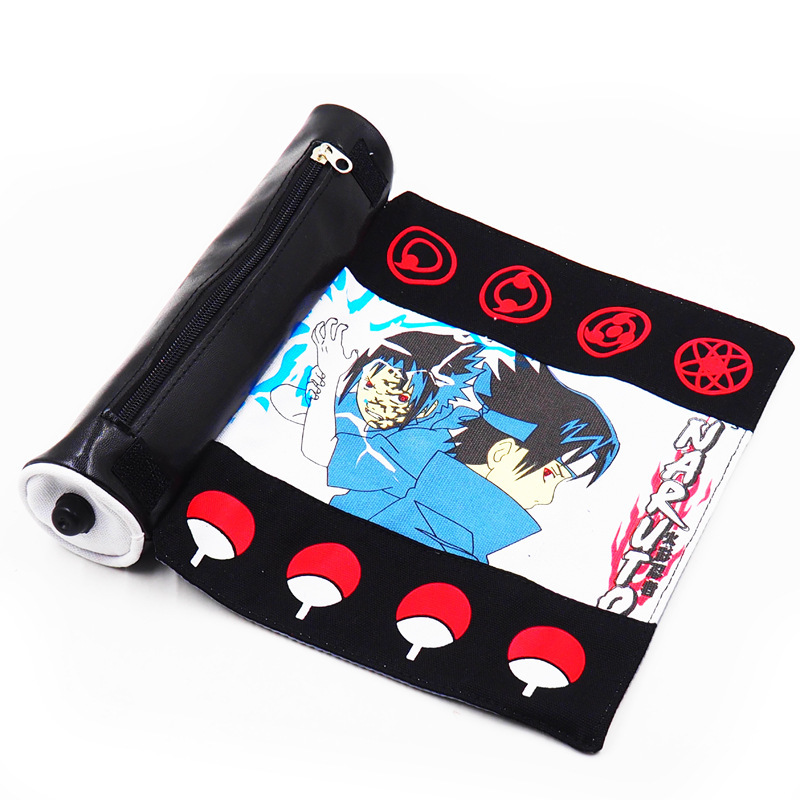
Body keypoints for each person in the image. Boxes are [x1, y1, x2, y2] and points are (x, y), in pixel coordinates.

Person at [369, 356, 620, 562]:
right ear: (501, 453)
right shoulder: (439, 540)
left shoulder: (453, 536)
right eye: (549, 474)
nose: (547, 498)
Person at [300, 319, 480, 518]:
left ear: (430, 407)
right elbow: (284, 399)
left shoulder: (423, 444)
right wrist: (324, 388)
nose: (375, 402)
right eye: (369, 385)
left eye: (401, 398)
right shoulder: (378, 414)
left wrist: (328, 380)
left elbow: (319, 451)